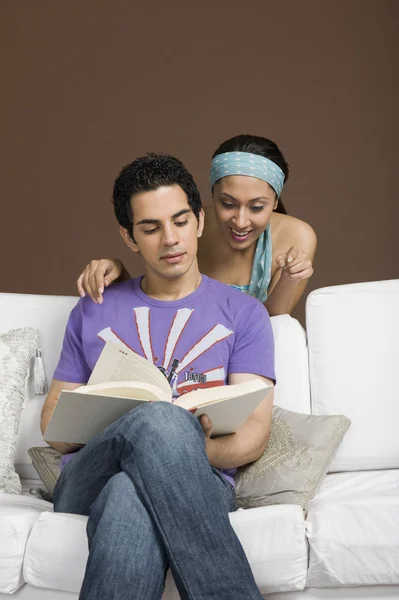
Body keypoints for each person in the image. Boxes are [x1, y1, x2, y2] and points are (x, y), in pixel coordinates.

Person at [41, 152, 276, 599]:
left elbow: (254, 435)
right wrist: (144, 426)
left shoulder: (244, 313)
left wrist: (170, 446)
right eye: (150, 228)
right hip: (86, 478)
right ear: (129, 238)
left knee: (129, 494)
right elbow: (52, 425)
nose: (170, 239)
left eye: (180, 221)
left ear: (200, 221)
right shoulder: (96, 306)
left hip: (200, 483)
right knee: (160, 419)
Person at [77, 134, 317, 316]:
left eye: (256, 207)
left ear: (275, 201)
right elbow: (158, 302)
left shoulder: (297, 236)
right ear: (211, 198)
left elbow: (272, 325)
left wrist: (290, 278)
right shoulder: (188, 226)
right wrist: (117, 272)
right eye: (227, 203)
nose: (241, 221)